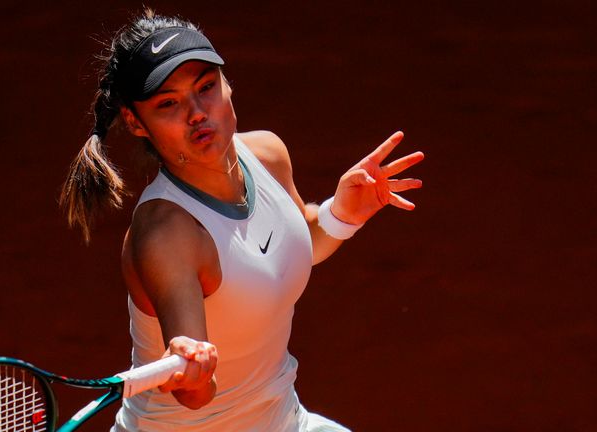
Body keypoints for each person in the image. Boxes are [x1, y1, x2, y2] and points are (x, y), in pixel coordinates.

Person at [59, 9, 424, 432]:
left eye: (206, 87)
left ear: (226, 83)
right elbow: (195, 394)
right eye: (168, 104)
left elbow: (284, 249)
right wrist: (191, 369)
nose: (196, 112)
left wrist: (342, 214)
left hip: (284, 420)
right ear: (135, 122)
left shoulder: (267, 154)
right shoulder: (166, 233)